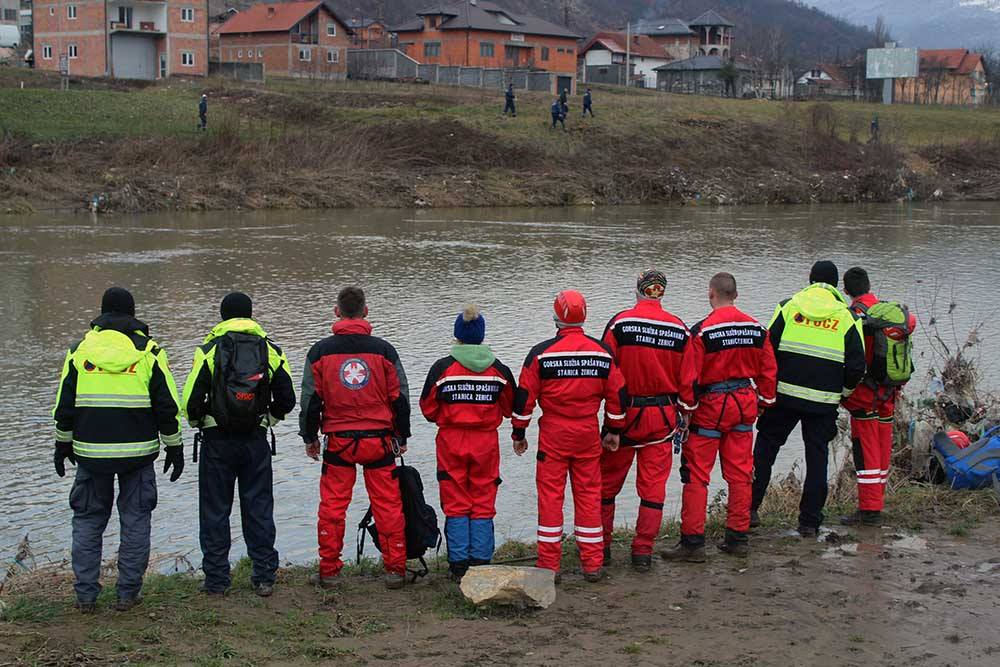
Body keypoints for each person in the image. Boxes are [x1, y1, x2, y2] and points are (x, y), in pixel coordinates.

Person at [53, 287, 184, 613]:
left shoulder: (78, 351)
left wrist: (62, 443)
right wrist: (174, 447)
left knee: (87, 520)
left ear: (102, 314)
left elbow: (64, 406)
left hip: (90, 454)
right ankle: (127, 594)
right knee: (136, 519)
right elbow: (167, 407)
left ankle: (85, 596)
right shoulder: (150, 352)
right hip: (138, 456)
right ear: (132, 314)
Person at [181, 292, 296, 597]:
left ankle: (217, 581)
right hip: (255, 441)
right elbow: (288, 399)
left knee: (215, 511)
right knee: (258, 508)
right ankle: (263, 577)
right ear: (250, 315)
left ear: (222, 316)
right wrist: (267, 420)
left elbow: (189, 402)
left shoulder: (208, 350)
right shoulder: (270, 350)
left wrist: (202, 422)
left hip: (217, 441)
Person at [299, 286, 411, 590]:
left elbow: (310, 400)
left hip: (339, 441)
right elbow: (399, 396)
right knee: (388, 505)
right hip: (379, 441)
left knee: (333, 508)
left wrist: (309, 436)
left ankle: (330, 571)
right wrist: (402, 434)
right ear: (366, 312)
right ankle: (395, 569)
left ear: (337, 312)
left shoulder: (320, 351)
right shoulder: (384, 350)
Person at [512, 290, 627, 582]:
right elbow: (618, 395)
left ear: (555, 317)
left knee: (550, 498)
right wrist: (613, 430)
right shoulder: (602, 352)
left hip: (554, 434)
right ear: (584, 316)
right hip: (587, 433)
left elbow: (524, 397)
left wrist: (519, 433)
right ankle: (592, 564)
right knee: (589, 496)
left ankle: (549, 566)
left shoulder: (540, 354)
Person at [662, 273, 777, 562]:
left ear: (711, 294)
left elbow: (688, 377)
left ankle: (692, 543)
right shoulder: (757, 328)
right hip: (743, 402)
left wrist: (685, 412)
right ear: (735, 294)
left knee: (696, 475)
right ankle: (738, 537)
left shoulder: (702, 332)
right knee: (740, 473)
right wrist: (763, 402)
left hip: (711, 406)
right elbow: (768, 371)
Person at [750, 261, 866, 536]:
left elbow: (767, 351)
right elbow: (856, 366)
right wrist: (843, 394)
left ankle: (748, 510)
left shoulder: (788, 306)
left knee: (765, 451)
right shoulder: (848, 317)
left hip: (784, 396)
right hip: (823, 401)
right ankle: (809, 523)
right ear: (836, 286)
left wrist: (767, 392)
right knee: (817, 459)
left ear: (810, 279)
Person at [600, 270, 688, 572]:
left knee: (606, 486)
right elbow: (688, 380)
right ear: (662, 293)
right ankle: (642, 552)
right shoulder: (679, 329)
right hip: (662, 419)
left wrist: (609, 417)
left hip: (623, 416)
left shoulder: (620, 323)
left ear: (638, 292)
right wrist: (685, 413)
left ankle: (602, 548)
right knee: (653, 489)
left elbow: (605, 370)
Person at [420, 305, 516, 581]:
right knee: (484, 500)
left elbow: (428, 409)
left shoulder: (442, 368)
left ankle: (459, 565)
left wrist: (449, 416)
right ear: (482, 336)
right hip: (486, 441)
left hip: (451, 439)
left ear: (457, 335)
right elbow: (511, 407)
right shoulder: (499, 369)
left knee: (455, 501)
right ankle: (481, 560)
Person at [839, 267, 913, 526]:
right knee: (882, 446)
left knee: (866, 449)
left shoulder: (855, 315)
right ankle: (877, 499)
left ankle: (869, 510)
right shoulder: (887, 313)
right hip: (889, 392)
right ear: (869, 287)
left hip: (865, 395)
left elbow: (855, 360)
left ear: (846, 290)